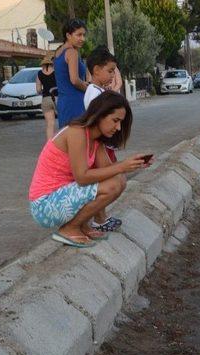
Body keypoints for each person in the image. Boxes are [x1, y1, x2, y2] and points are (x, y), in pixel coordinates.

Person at [29, 91, 148, 247]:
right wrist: (122, 166)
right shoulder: (76, 132)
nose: (118, 127)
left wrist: (133, 164)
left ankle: (82, 225)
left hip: (62, 197)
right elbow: (82, 177)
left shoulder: (95, 140)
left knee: (119, 180)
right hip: (44, 205)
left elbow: (108, 171)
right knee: (113, 184)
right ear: (100, 114)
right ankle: (69, 228)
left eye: (121, 122)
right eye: (115, 120)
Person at [84, 47, 122, 232]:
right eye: (110, 71)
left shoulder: (98, 90)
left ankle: (102, 218)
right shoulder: (93, 92)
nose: (112, 75)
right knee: (105, 180)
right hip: (101, 145)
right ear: (96, 70)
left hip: (105, 144)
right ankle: (99, 219)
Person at [54, 19, 89, 128]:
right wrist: (89, 89)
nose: (82, 39)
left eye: (84, 35)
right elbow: (74, 80)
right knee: (78, 138)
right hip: (75, 101)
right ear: (68, 35)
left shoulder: (58, 52)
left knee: (67, 137)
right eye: (79, 35)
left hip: (63, 102)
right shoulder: (72, 52)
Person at [36, 57, 58, 141]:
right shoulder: (57, 72)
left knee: (50, 124)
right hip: (57, 98)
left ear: (43, 64)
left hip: (46, 99)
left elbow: (38, 90)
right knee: (63, 122)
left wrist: (42, 91)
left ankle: (50, 144)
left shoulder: (39, 74)